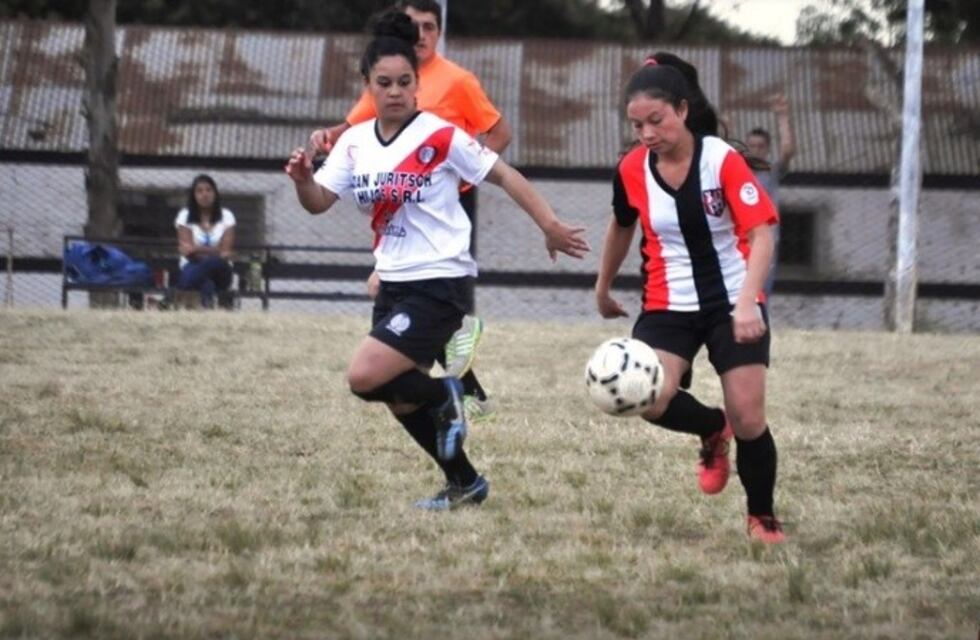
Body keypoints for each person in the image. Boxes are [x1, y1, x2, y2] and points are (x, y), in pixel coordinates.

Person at [286, 10, 589, 511]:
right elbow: (318, 202)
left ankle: (449, 392)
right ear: (367, 85)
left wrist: (550, 224)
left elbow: (505, 175)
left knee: (364, 376)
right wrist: (302, 180)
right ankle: (464, 482)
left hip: (440, 281)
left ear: (417, 84)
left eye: (405, 82)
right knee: (397, 395)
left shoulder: (439, 135)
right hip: (392, 283)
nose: (395, 91)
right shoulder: (356, 143)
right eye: (384, 83)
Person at [594, 54, 785, 543]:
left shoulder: (721, 159)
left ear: (682, 110)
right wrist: (603, 285)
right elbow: (621, 224)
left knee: (749, 417)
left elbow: (761, 234)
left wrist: (748, 303)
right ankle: (711, 429)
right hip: (667, 304)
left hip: (732, 300)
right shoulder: (632, 169)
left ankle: (761, 516)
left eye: (656, 120)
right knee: (648, 397)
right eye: (637, 125)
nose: (646, 133)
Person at [310, 0, 509, 424]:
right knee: (389, 297)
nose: (421, 34)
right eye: (414, 25)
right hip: (391, 205)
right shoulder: (388, 75)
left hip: (437, 199)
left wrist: (463, 177)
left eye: (429, 26)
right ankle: (464, 389)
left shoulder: (457, 80)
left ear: (439, 32)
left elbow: (499, 133)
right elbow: (353, 130)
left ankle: (461, 376)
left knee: (411, 298)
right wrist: (325, 138)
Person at [745, 93, 795, 299]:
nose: (756, 150)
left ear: (767, 149)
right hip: (740, 240)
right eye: (752, 146)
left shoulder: (771, 171)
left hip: (765, 239)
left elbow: (787, 150)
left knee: (761, 294)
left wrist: (783, 116)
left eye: (761, 146)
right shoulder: (737, 171)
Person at [174, 174, 236, 310]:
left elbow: (225, 253)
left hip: (221, 272)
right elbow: (187, 252)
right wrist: (215, 250)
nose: (205, 194)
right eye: (200, 191)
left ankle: (170, 298)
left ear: (215, 193)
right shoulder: (184, 215)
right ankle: (207, 309)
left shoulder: (227, 216)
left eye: (208, 190)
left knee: (215, 263)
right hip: (192, 266)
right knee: (207, 283)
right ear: (193, 195)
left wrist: (197, 249)